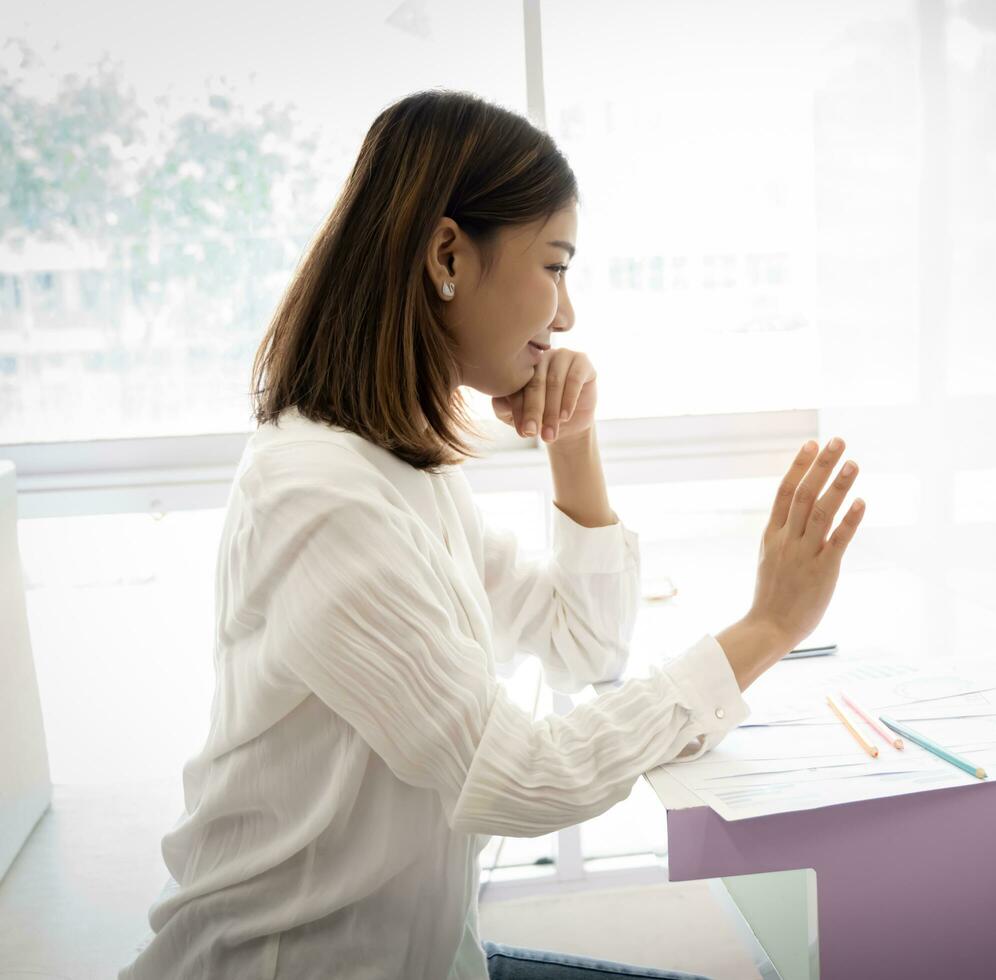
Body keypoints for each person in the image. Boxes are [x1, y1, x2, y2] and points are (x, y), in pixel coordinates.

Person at [120, 89, 866, 980]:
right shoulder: (321, 498)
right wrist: (767, 629)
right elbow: (525, 778)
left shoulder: (400, 472)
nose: (567, 313)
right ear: (447, 254)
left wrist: (575, 438)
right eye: (555, 266)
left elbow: (584, 646)